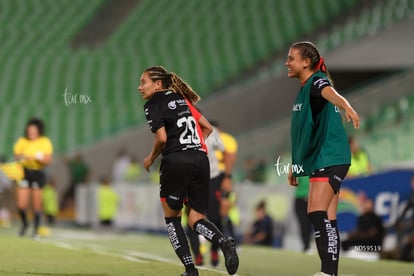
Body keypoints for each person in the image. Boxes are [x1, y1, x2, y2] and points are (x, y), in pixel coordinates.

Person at [139, 66, 239, 276]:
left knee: (172, 218)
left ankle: (190, 270)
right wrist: (192, 147)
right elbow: (208, 128)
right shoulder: (182, 99)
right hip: (201, 160)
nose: (140, 87)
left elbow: (162, 138)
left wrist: (151, 157)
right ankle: (222, 241)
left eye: (143, 82)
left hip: (176, 161)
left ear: (158, 84)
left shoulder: (153, 103)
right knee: (195, 218)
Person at [286, 41, 360, 276]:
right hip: (324, 158)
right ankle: (330, 272)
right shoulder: (305, 87)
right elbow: (305, 134)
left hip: (331, 157)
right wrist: (295, 165)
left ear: (306, 62)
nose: (287, 63)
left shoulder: (317, 81)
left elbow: (330, 91)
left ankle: (328, 273)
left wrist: (347, 106)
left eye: (291, 58)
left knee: (316, 213)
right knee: (327, 216)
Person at [14, 118, 53, 238]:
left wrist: (38, 158)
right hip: (24, 172)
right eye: (30, 130)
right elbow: (17, 156)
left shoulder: (44, 141)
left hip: (37, 172)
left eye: (34, 131)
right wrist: (25, 156)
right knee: (21, 204)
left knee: (37, 204)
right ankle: (25, 224)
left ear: (38, 131)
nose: (31, 133)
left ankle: (36, 229)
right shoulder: (22, 141)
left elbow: (47, 160)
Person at [211, 121, 238, 239]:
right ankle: (219, 241)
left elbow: (230, 158)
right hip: (211, 176)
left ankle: (230, 240)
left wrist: (228, 177)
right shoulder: (206, 137)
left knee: (223, 210)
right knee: (214, 211)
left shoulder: (226, 139)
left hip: (222, 176)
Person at [294, 176, 313, 252]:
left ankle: (308, 245)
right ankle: (306, 246)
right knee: (303, 224)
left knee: (309, 224)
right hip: (300, 201)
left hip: (311, 200)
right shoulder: (301, 170)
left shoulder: (315, 171)